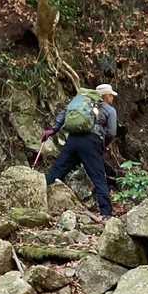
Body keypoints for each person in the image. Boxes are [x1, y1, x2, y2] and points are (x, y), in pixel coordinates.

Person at [44, 83, 119, 218]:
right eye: (111, 96)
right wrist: (103, 144)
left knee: (57, 170)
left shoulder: (81, 103)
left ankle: (39, 197)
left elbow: (65, 113)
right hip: (91, 142)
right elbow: (112, 132)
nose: (112, 98)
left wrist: (53, 130)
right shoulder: (109, 110)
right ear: (106, 96)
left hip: (73, 140)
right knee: (98, 177)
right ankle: (106, 213)